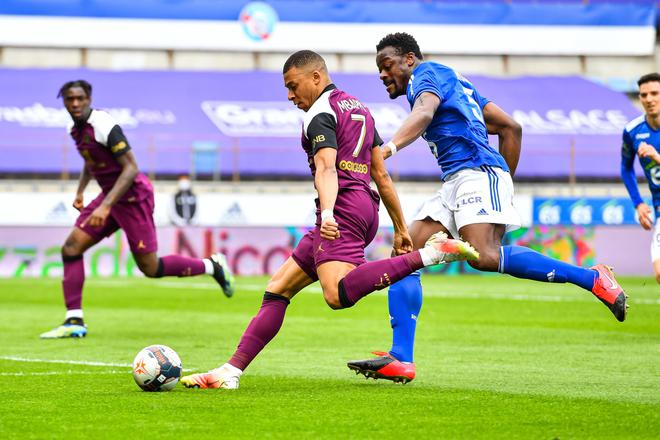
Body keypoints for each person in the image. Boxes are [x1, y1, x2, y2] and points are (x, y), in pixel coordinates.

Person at [178, 50, 478, 389]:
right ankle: (230, 372)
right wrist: (398, 226)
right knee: (277, 290)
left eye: (293, 86)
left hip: (342, 209)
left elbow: (326, 167)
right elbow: (381, 173)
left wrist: (329, 212)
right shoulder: (359, 108)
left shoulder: (320, 113)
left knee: (336, 295)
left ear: (316, 77)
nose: (291, 96)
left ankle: (433, 254)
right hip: (365, 206)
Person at [346, 32, 629, 384]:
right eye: (378, 70)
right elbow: (510, 127)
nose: (382, 75)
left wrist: (388, 149)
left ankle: (593, 278)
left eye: (386, 66)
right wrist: (504, 183)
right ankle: (401, 357)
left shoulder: (427, 74)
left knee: (483, 256)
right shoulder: (455, 82)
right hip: (457, 180)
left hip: (476, 172)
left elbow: (424, 112)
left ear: (408, 59)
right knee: (408, 251)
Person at [40, 80, 234, 339]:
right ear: (64, 101)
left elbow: (131, 168)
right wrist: (80, 191)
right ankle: (74, 320)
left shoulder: (104, 125)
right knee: (71, 248)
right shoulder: (74, 129)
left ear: (88, 99)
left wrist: (105, 206)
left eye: (79, 98)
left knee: (150, 268)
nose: (75, 103)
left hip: (132, 197)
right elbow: (91, 160)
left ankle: (212, 266)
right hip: (109, 197)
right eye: (69, 99)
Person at [621, 73, 660, 284]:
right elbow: (626, 169)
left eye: (655, 93)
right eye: (644, 95)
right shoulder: (632, 131)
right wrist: (638, 203)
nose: (649, 99)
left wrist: (656, 157)